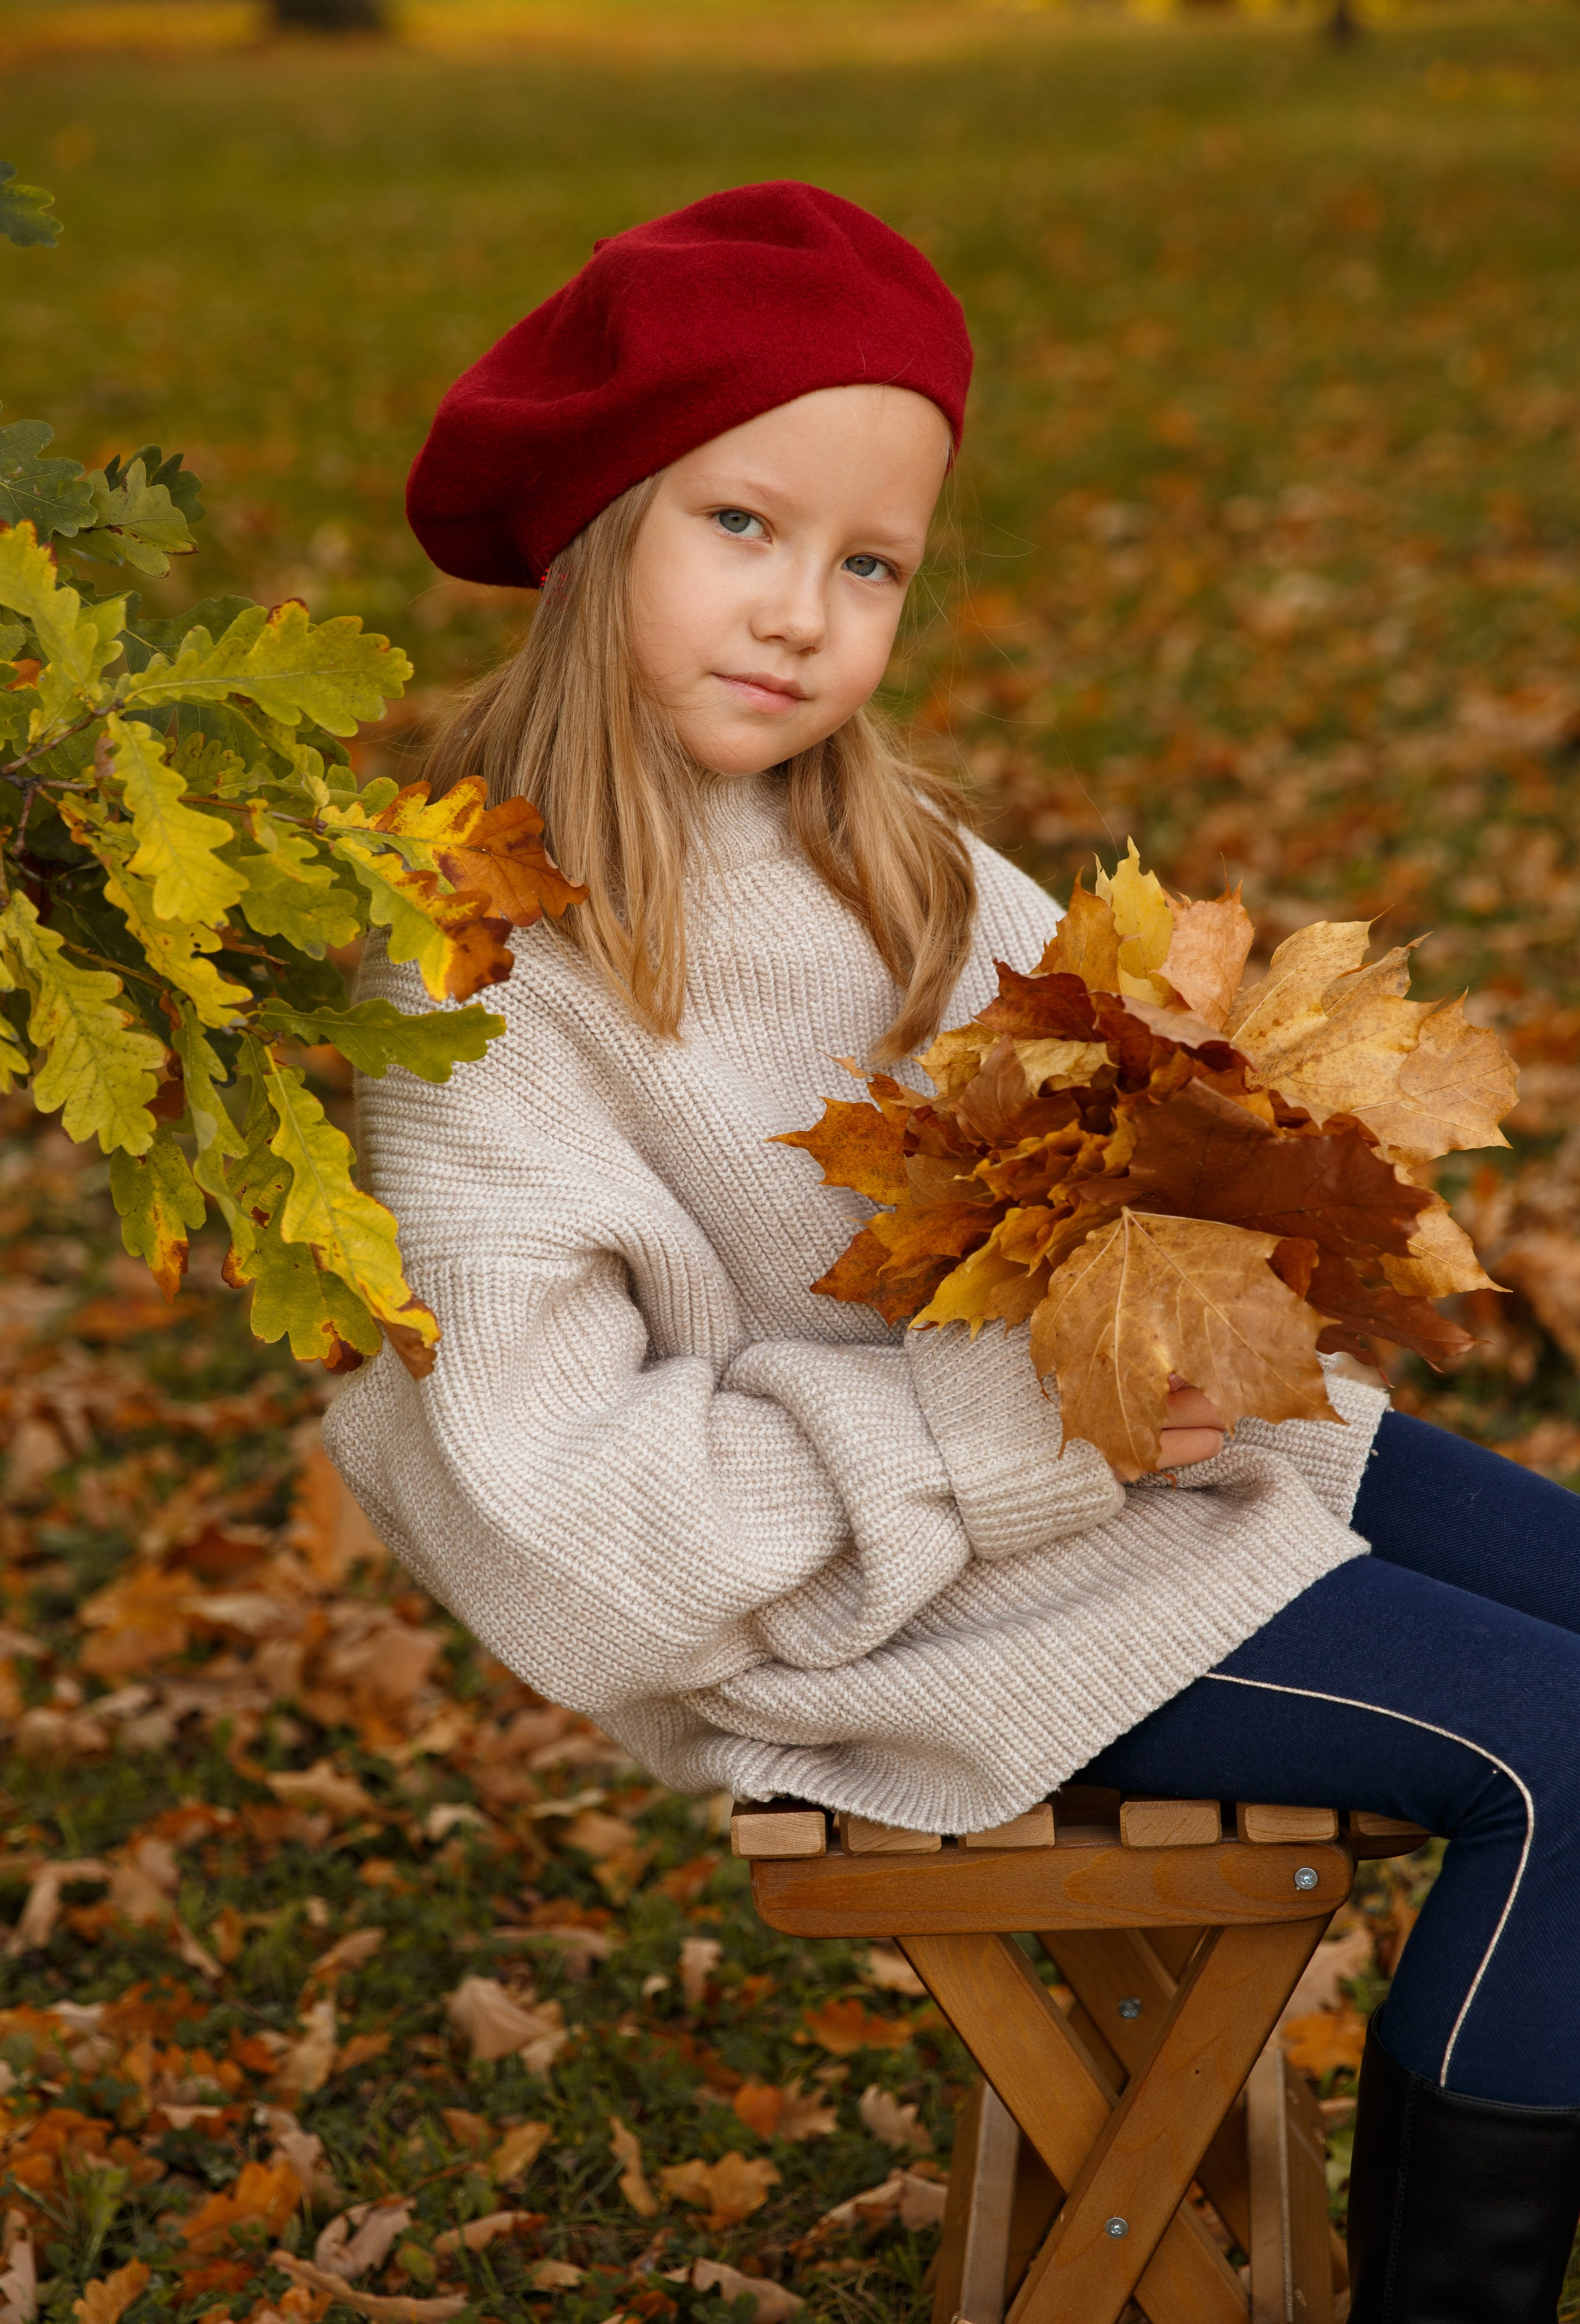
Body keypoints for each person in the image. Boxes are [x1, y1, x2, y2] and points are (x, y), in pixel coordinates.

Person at [323, 181, 1580, 2320]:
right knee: (1559, 1761)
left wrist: (1225, 1236)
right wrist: (1008, 1430)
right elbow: (570, 1524)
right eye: (742, 523)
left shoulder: (894, 857)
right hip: (892, 1614)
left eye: (871, 564)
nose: (802, 613)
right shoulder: (478, 976)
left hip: (1149, 1480)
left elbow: (1116, 1160)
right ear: (599, 521)